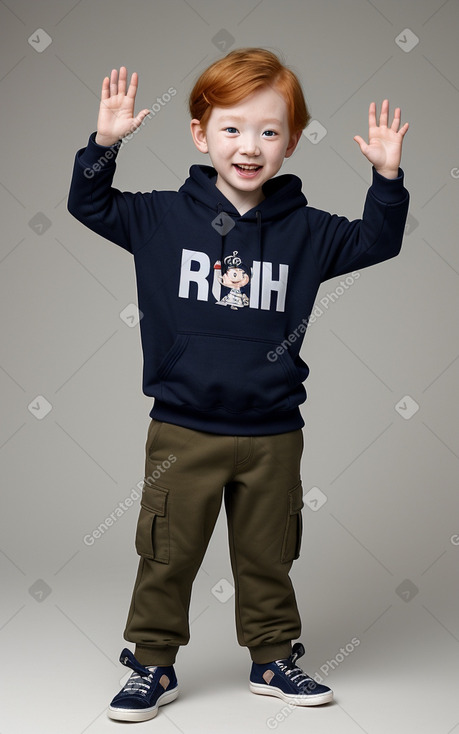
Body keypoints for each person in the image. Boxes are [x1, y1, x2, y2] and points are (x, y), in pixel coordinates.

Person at [67, 48, 409, 722]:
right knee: (166, 551)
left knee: (268, 554)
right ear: (199, 133)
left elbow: (378, 240)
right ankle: (151, 662)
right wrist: (103, 143)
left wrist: (387, 176)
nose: (248, 146)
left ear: (291, 141)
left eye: (268, 131)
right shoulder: (161, 218)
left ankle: (272, 657)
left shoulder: (307, 233)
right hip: (182, 427)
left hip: (272, 432)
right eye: (230, 128)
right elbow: (89, 204)